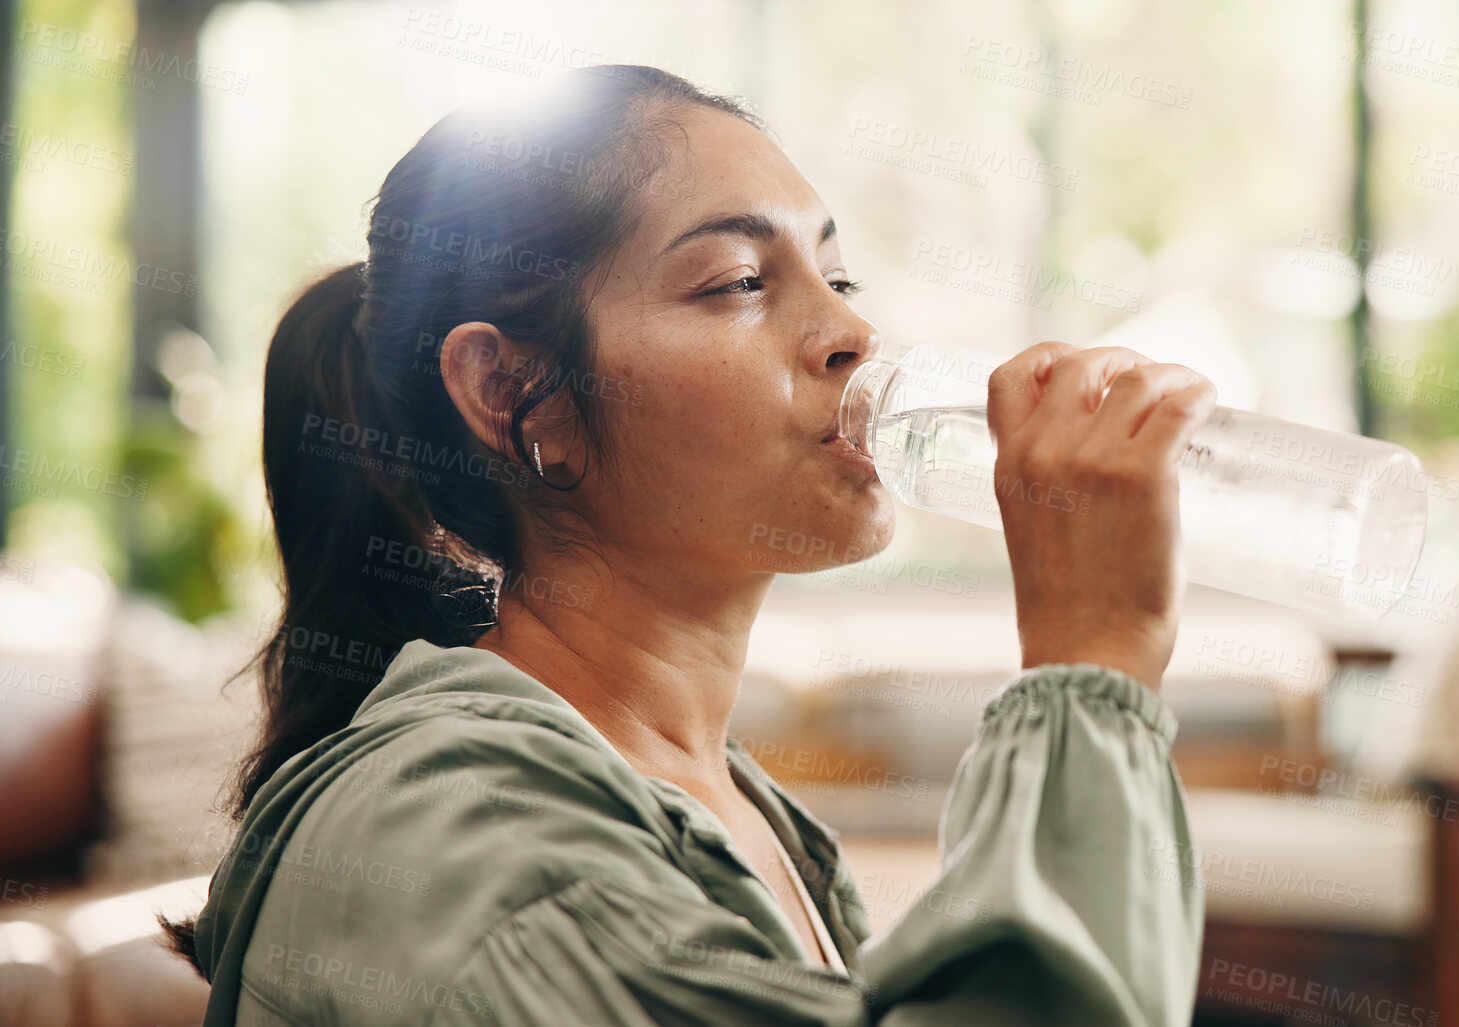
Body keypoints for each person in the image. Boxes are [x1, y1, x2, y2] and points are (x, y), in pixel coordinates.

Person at [166, 63, 1217, 1025]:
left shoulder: (727, 803)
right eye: (739, 283)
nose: (853, 335)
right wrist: (1092, 656)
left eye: (837, 277)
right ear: (511, 389)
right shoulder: (466, 823)